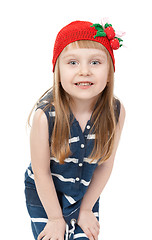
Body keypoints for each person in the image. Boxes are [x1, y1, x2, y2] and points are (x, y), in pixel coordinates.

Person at [24, 19, 126, 240]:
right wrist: (55, 219)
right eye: (72, 62)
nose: (84, 71)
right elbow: (41, 173)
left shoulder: (115, 112)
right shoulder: (45, 116)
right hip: (44, 191)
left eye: (95, 62)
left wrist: (86, 209)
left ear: (109, 72)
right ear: (57, 72)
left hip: (84, 191)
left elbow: (104, 166)